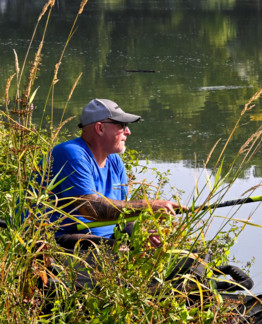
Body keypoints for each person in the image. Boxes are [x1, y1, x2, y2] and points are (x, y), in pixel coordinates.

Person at [48, 98, 182, 250]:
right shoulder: (72, 154)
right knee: (122, 252)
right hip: (59, 237)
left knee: (167, 251)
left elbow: (123, 216)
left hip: (106, 239)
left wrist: (141, 234)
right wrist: (148, 205)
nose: (128, 132)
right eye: (122, 125)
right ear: (100, 128)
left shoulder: (114, 160)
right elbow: (91, 208)